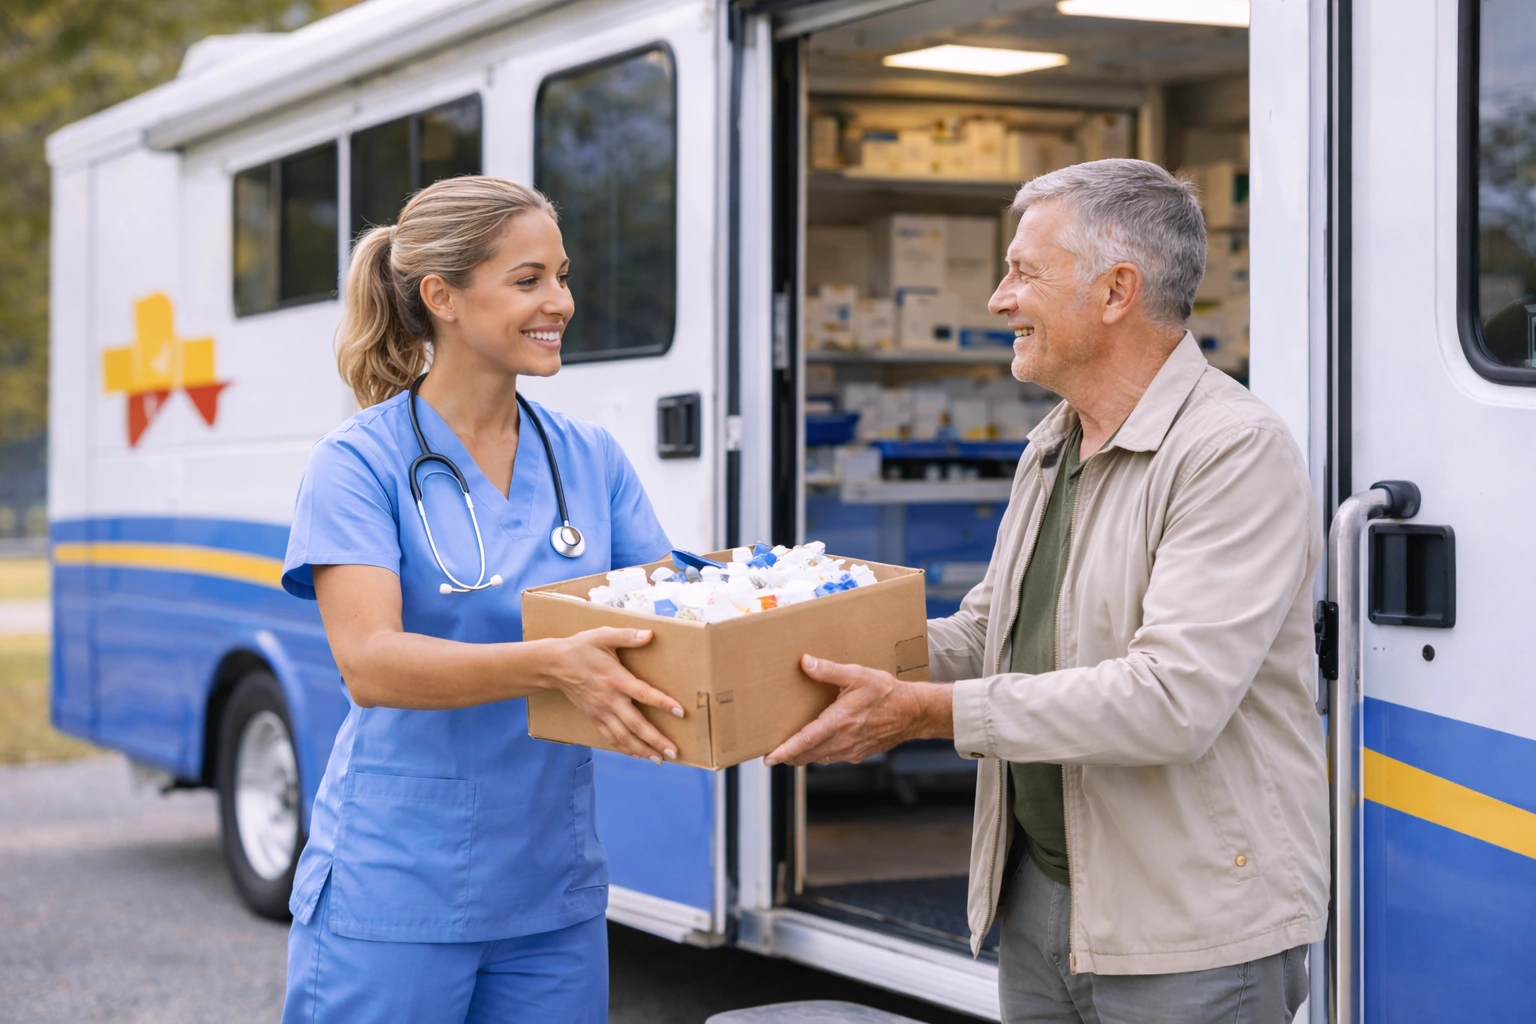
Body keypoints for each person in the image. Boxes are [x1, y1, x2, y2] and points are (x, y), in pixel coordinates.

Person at [766, 159, 1328, 1023]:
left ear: (1115, 291)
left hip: (1188, 928)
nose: (998, 299)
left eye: (1024, 272)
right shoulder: (1054, 442)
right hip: (1042, 903)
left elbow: (1172, 700)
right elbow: (993, 629)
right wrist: (791, 648)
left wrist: (925, 713)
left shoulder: (1232, 451)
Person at [279, 176, 683, 1023]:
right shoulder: (359, 464)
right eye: (528, 280)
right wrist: (555, 665)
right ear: (443, 298)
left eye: (563, 276)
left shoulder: (589, 457)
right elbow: (371, 664)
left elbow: (669, 613)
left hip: (551, 889)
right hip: (399, 884)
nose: (561, 302)